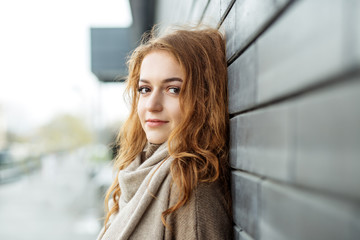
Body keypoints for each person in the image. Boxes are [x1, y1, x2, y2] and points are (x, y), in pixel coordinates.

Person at [97, 25, 232, 240]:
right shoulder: (136, 169)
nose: (152, 105)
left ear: (204, 97)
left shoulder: (189, 186)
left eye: (173, 89)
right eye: (145, 89)